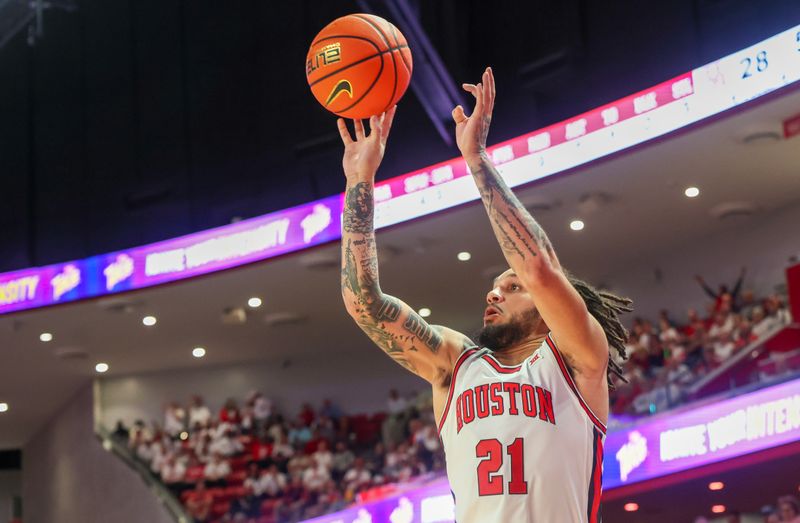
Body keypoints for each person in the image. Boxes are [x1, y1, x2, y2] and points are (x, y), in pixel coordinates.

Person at [338, 67, 631, 522]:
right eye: (493, 288)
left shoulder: (578, 358)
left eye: (510, 288)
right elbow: (365, 304)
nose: (494, 295)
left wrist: (475, 158)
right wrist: (360, 181)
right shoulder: (457, 364)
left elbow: (539, 269)